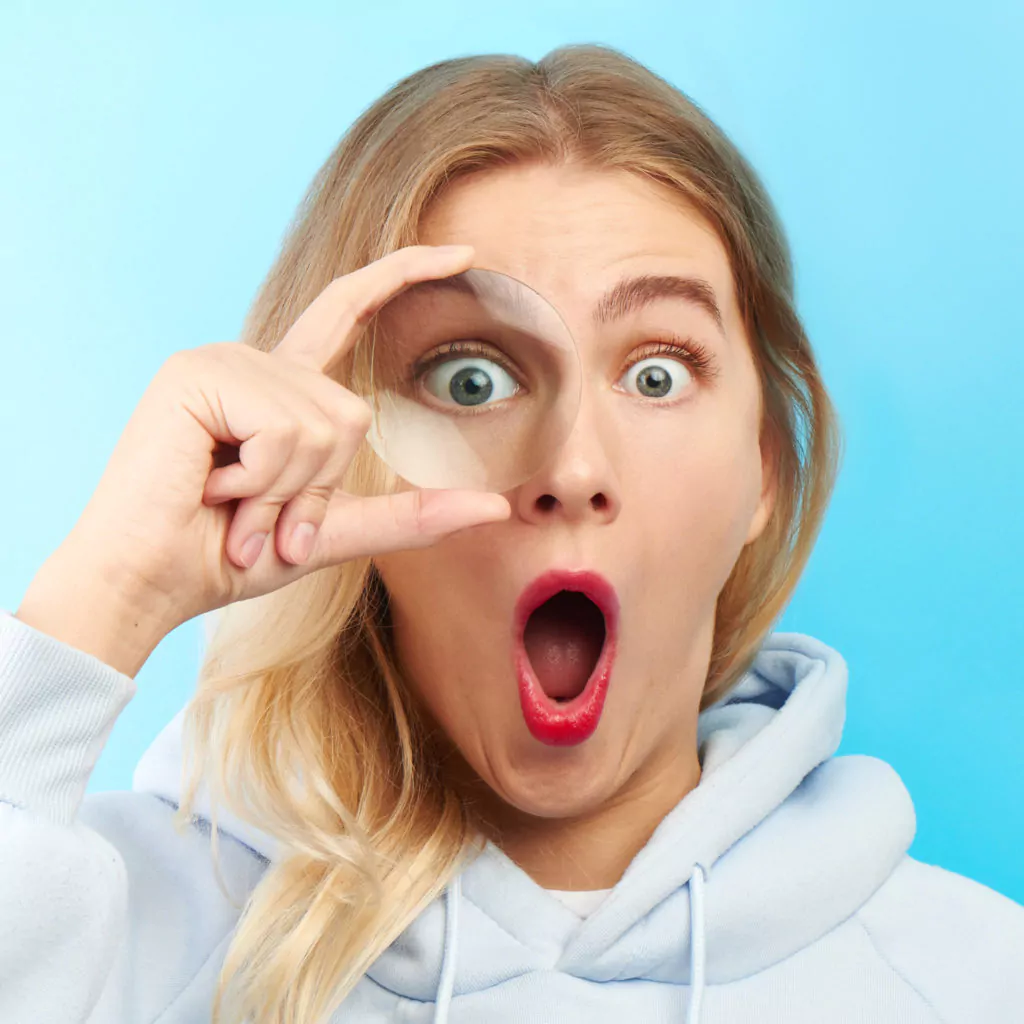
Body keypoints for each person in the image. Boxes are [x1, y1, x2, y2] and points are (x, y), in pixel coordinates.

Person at [1, 43, 1020, 1024]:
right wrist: (110, 593)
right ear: (337, 447)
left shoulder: (974, 981)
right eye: (469, 379)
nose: (571, 470)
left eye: (656, 374)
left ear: (764, 468)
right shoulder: (108, 939)